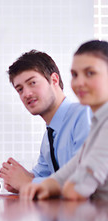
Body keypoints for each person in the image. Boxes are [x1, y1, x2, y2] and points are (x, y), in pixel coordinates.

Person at [21, 40, 108, 201]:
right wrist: (46, 185)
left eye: (90, 73)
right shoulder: (99, 121)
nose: (79, 82)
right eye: (75, 75)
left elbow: (77, 189)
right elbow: (74, 167)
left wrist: (55, 186)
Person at [0, 50, 91, 193]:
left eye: (33, 83)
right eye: (20, 89)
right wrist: (18, 180)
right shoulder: (49, 135)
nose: (26, 93)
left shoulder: (84, 115)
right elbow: (42, 174)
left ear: (54, 80)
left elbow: (85, 180)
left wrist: (29, 182)